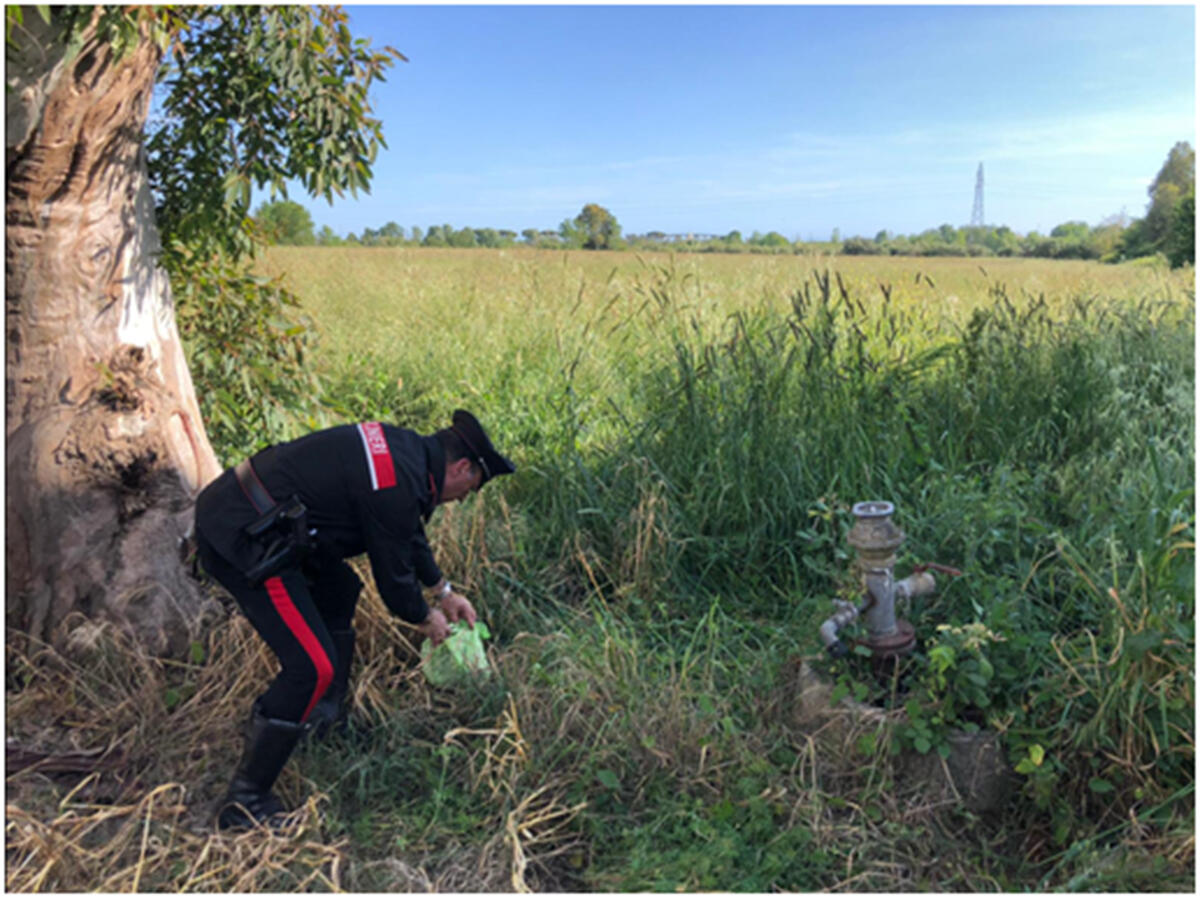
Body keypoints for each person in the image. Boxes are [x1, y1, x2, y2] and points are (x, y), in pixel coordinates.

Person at [193, 410, 515, 831]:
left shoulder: (407, 454)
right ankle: (245, 800)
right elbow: (393, 578)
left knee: (340, 588)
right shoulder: (399, 479)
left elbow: (405, 529)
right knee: (312, 665)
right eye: (468, 489)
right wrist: (425, 618)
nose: (462, 499)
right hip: (243, 535)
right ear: (460, 467)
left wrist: (444, 591)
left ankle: (323, 718)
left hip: (263, 521)